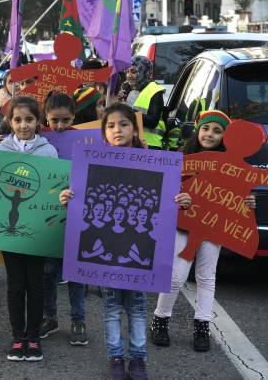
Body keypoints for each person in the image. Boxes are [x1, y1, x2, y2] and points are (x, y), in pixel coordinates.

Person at [58, 102, 191, 380]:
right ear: (104, 132)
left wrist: (182, 200)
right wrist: (68, 198)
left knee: (138, 308)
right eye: (110, 125)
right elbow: (81, 200)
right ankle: (116, 358)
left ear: (134, 129)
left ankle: (138, 359)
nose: (117, 130)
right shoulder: (92, 162)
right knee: (111, 308)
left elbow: (168, 200)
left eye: (123, 124)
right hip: (107, 254)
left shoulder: (154, 162)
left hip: (139, 255)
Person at [151, 110, 256, 352]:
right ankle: (160, 319)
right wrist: (179, 196)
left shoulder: (232, 166)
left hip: (213, 226)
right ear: (198, 130)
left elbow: (237, 197)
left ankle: (202, 326)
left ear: (225, 137)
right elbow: (165, 188)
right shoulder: (183, 158)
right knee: (176, 276)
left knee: (206, 277)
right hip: (183, 224)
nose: (210, 134)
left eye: (217, 131)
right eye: (206, 128)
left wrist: (248, 203)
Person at [0, 95, 59, 362]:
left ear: (38, 121)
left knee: (35, 284)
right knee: (15, 284)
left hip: (37, 230)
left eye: (29, 119)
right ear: (9, 121)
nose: (23, 125)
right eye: (18, 120)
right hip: (9, 230)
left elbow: (55, 188)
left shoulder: (48, 151)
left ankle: (33, 336)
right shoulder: (0, 151)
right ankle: (17, 336)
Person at [40, 92, 88, 346]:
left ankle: (79, 320)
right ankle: (50, 317)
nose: (59, 126)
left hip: (77, 214)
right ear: (46, 117)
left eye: (66, 120)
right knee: (48, 271)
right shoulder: (39, 139)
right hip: (46, 215)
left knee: (76, 271)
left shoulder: (86, 140)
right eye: (54, 120)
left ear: (74, 117)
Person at [120, 56, 165, 150]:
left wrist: (127, 112)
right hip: (131, 143)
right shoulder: (127, 89)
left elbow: (153, 121)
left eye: (133, 71)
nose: (129, 75)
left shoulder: (154, 90)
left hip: (150, 146)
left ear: (144, 72)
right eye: (127, 71)